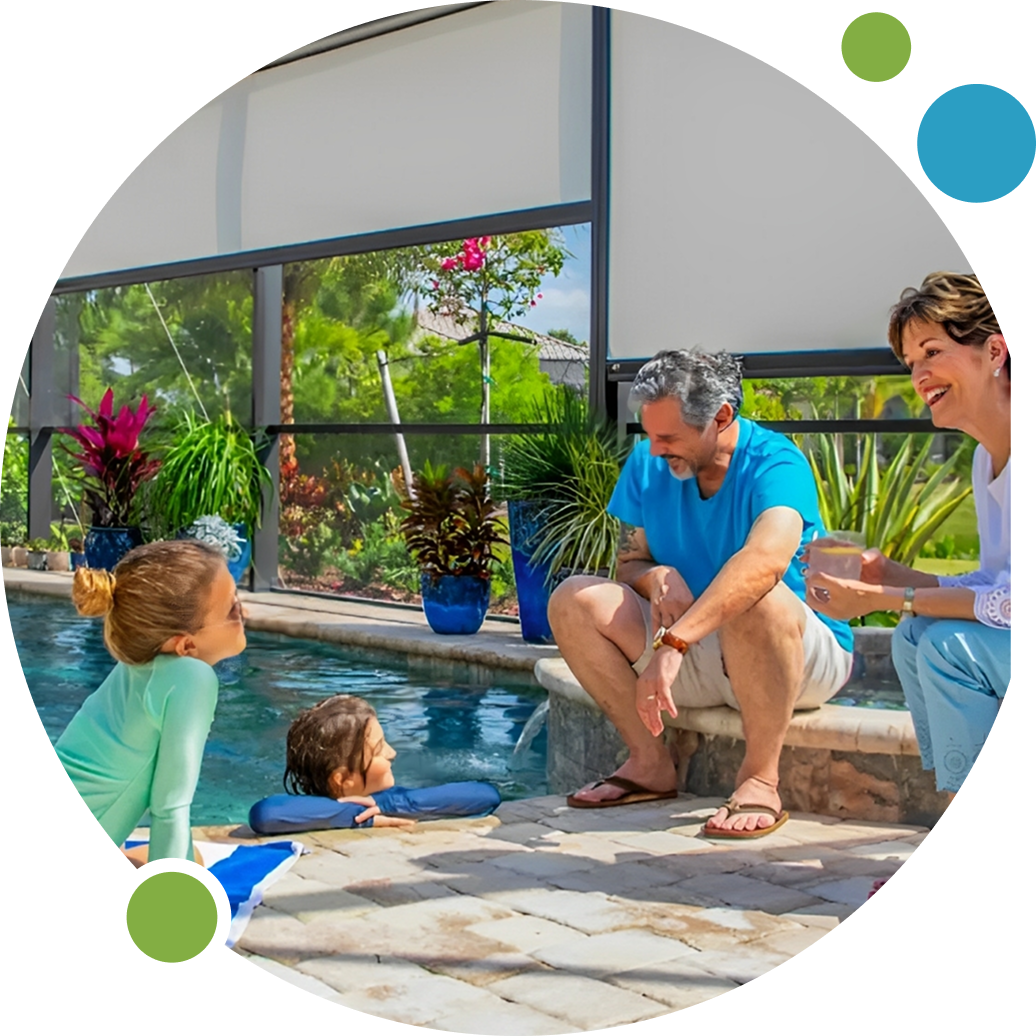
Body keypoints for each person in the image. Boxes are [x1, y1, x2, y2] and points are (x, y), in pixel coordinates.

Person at [550, 349, 854, 838]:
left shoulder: (777, 462)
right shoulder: (649, 463)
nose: (654, 451)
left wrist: (673, 644)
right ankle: (649, 763)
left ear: (722, 417)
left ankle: (759, 777)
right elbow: (629, 565)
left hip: (796, 655)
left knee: (758, 595)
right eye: (649, 435)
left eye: (668, 437)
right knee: (574, 599)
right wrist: (657, 577)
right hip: (700, 652)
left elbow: (766, 562)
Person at [806, 272, 1036, 824]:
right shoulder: (990, 457)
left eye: (932, 352)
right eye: (911, 362)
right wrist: (895, 576)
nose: (919, 375)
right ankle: (983, 815)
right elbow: (998, 582)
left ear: (994, 352)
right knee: (914, 637)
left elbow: (1022, 603)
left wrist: (888, 594)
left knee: (947, 647)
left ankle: (989, 835)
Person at [53, 540, 246, 864]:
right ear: (185, 645)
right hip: (43, 871)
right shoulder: (193, 678)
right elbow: (170, 807)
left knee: (185, 857)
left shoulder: (134, 663)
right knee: (192, 865)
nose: (243, 609)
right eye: (231, 609)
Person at [248, 694, 501, 834]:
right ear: (344, 779)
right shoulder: (306, 810)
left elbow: (485, 795)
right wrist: (357, 817)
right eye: (379, 749)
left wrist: (387, 804)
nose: (391, 753)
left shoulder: (393, 798)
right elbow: (266, 814)